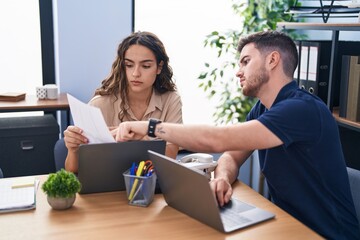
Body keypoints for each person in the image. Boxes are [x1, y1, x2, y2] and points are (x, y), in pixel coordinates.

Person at [115, 31, 360, 239]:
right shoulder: (263, 108)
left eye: (245, 61)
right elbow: (230, 156)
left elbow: (217, 139)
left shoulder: (302, 109)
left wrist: (149, 127)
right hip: (288, 225)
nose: (238, 71)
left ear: (272, 60)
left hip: (326, 234)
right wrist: (221, 177)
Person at [64, 31, 183, 173]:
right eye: (129, 65)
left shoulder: (171, 100)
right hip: (107, 187)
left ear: (159, 67)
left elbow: (170, 156)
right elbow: (73, 171)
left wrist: (135, 136)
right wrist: (73, 150)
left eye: (145, 66)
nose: (135, 73)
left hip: (152, 186)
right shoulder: (99, 105)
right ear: (122, 66)